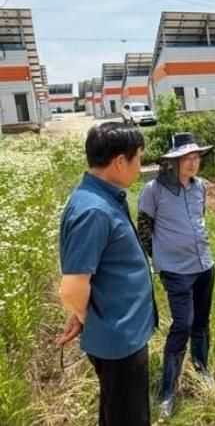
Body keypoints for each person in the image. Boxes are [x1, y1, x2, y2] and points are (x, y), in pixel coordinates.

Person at [57, 122, 158, 426]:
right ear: (119, 162)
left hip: (122, 333)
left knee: (116, 412)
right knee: (128, 417)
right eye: (138, 158)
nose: (140, 167)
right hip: (118, 340)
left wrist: (83, 315)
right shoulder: (94, 210)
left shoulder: (102, 198)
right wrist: (88, 316)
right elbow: (72, 288)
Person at [137, 132, 215, 419]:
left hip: (204, 265)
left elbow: (199, 219)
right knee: (182, 324)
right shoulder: (153, 190)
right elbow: (144, 228)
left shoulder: (200, 187)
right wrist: (159, 259)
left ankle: (202, 369)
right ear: (173, 161)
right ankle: (167, 392)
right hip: (175, 270)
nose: (193, 163)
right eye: (187, 158)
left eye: (196, 157)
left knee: (201, 322)